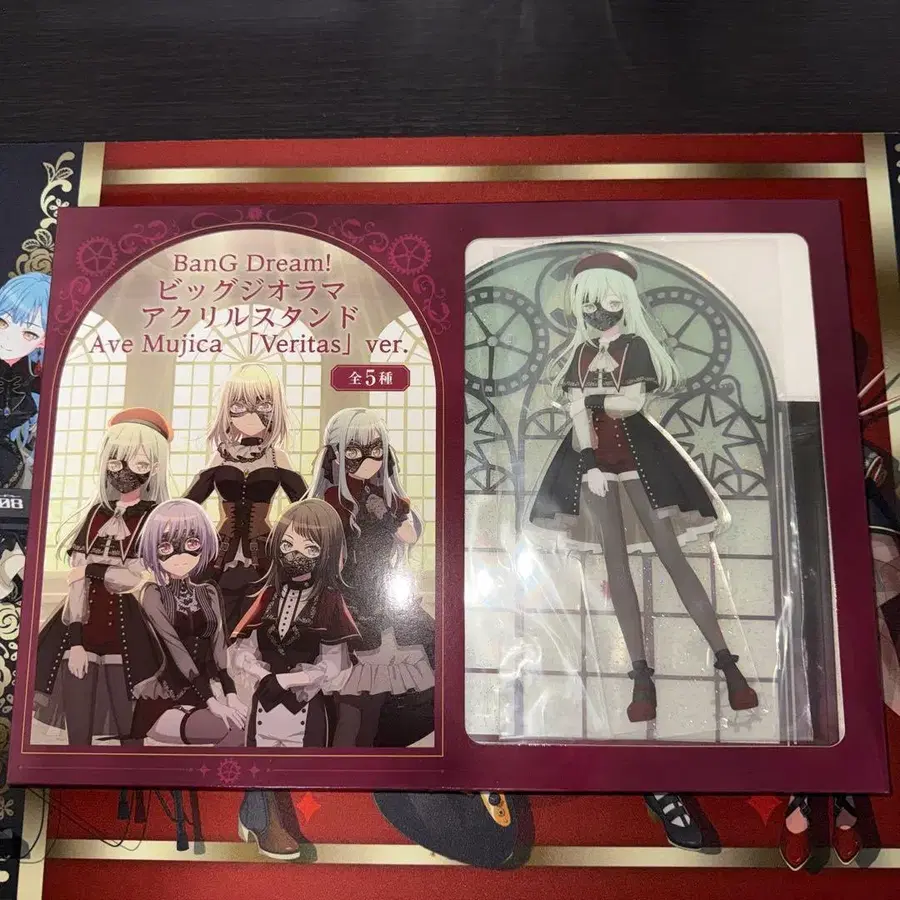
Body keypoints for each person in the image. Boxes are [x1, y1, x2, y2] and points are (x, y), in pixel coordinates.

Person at [529, 251, 756, 722]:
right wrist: (588, 461)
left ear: (625, 302)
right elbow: (580, 416)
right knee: (615, 563)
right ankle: (640, 676)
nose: (599, 311)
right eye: (590, 304)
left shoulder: (635, 347)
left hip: (640, 456)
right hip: (594, 463)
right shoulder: (580, 354)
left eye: (609, 302)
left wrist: (591, 402)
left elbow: (630, 403)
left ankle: (727, 663)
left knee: (672, 556)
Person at [33, 408, 173, 745]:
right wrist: (76, 639)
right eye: (115, 462)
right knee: (77, 718)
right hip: (80, 627)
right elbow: (76, 581)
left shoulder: (156, 518)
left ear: (154, 467)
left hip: (129, 628)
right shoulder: (96, 513)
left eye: (138, 464)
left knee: (130, 723)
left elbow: (135, 578)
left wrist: (92, 569)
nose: (124, 472)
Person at [231, 499, 360, 859]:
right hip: (263, 699)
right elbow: (242, 650)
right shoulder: (267, 595)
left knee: (298, 774)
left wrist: (289, 681)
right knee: (259, 764)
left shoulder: (331, 601)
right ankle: (264, 821)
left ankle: (271, 822)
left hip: (304, 704)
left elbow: (334, 664)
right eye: (287, 545)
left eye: (310, 548)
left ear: (328, 553)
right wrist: (263, 675)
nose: (295, 556)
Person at [307, 408, 435, 748]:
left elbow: (409, 536)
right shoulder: (330, 502)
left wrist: (385, 510)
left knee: (391, 688)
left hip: (385, 596)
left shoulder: (390, 500)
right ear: (336, 455)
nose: (367, 459)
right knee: (352, 699)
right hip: (345, 599)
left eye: (376, 449)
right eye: (354, 450)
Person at [186, 362, 307, 637]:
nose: (250, 415)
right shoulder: (219, 456)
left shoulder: (277, 457)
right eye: (239, 406)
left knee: (259, 612)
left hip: (262, 549)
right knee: (217, 613)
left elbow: (305, 505)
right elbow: (191, 501)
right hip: (222, 550)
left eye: (263, 406)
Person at [128, 499, 247, 745]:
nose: (180, 555)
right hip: (164, 699)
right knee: (229, 729)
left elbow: (219, 650)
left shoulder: (209, 592)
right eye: (166, 547)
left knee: (243, 726)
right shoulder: (153, 594)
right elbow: (177, 651)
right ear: (153, 550)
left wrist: (232, 695)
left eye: (191, 543)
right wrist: (213, 702)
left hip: (201, 698)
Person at [0, 273, 50, 488]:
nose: (8, 338)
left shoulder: (39, 375)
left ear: (43, 340)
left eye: (29, 333)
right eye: (2, 322)